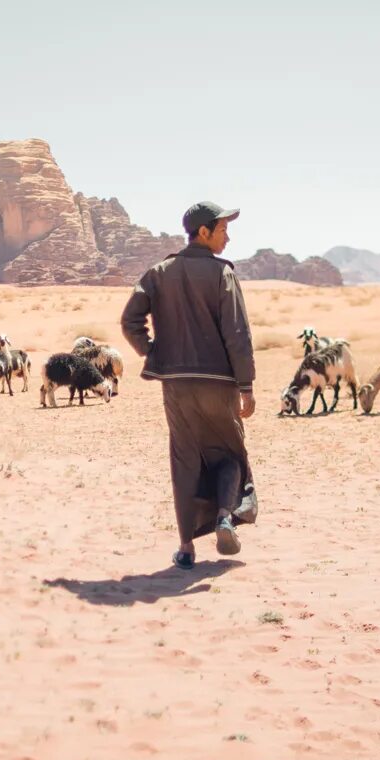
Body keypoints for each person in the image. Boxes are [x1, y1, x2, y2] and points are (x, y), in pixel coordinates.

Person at [120, 201, 259, 569]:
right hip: (219, 383)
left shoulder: (158, 272)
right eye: (223, 230)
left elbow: (130, 320)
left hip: (176, 387)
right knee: (230, 454)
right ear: (203, 232)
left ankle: (186, 548)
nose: (227, 237)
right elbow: (237, 333)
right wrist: (245, 384)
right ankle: (226, 517)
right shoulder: (221, 274)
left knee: (185, 460)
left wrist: (154, 354)